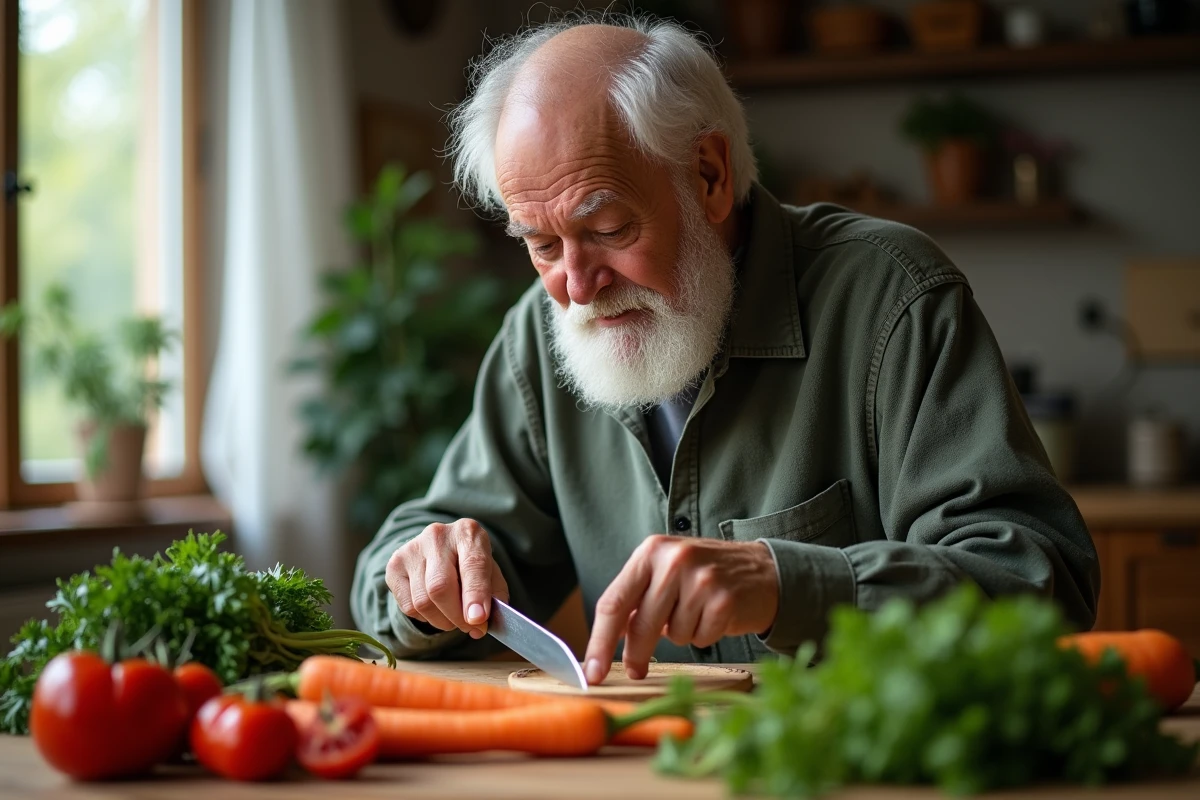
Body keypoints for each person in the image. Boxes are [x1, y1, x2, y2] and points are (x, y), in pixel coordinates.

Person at [350, 15, 1099, 686]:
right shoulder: (536, 337)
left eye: (608, 228)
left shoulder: (892, 297)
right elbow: (398, 564)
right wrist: (428, 574)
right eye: (541, 244)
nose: (576, 286)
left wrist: (788, 584)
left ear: (709, 176)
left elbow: (1039, 578)